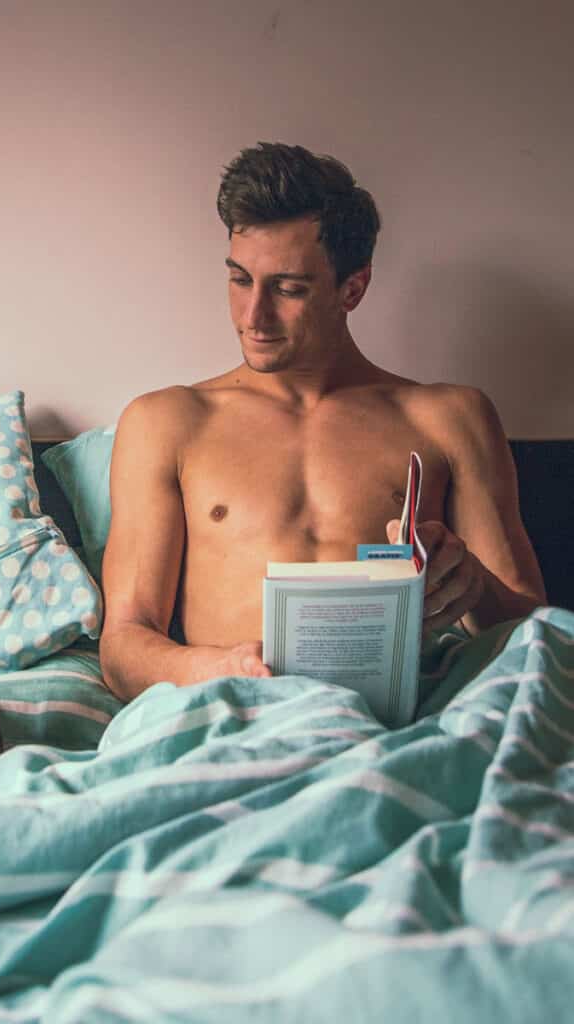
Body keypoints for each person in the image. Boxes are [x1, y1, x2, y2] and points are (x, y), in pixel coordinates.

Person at [99, 142, 547, 703]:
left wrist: (472, 585)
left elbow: (534, 634)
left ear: (352, 288)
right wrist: (217, 669)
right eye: (240, 280)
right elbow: (123, 647)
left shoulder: (449, 418)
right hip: (229, 712)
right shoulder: (165, 423)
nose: (253, 316)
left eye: (287, 289)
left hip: (402, 718)